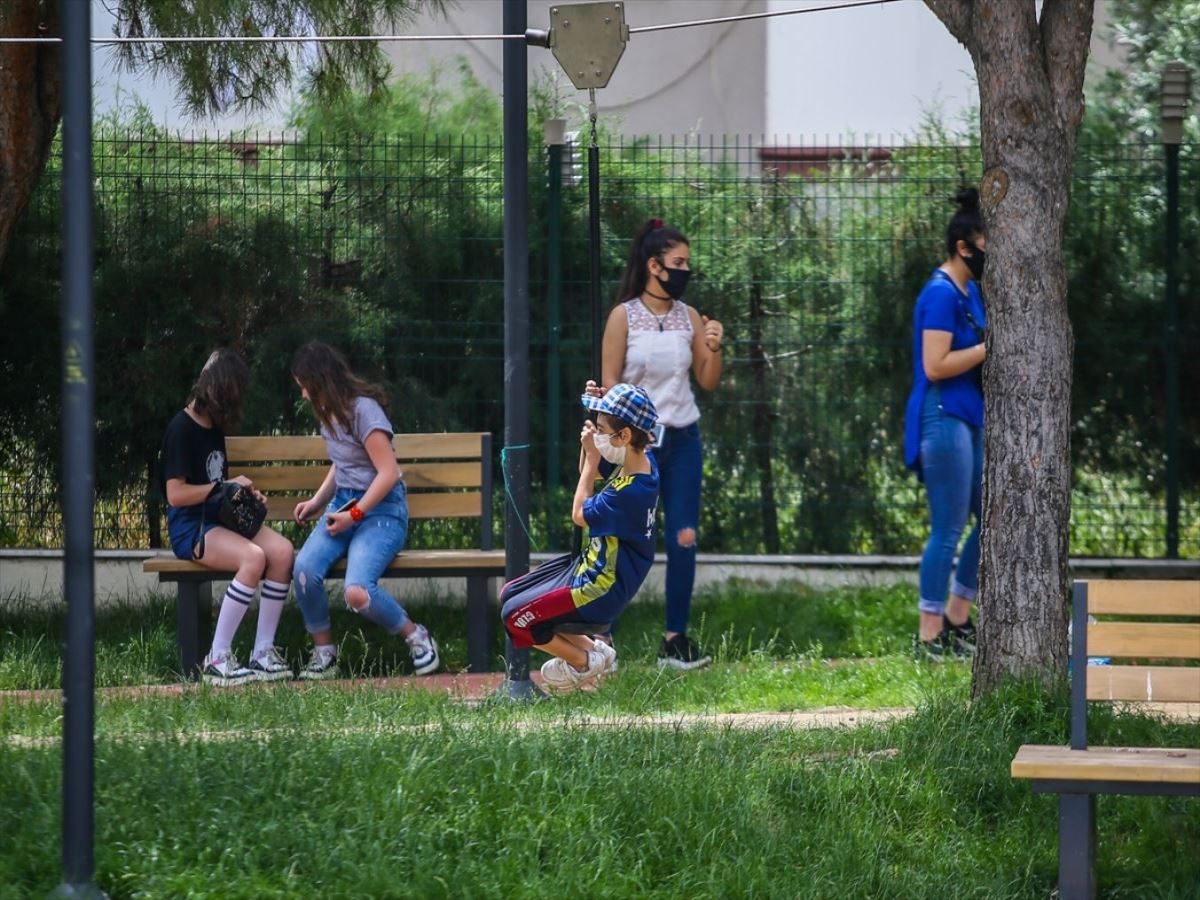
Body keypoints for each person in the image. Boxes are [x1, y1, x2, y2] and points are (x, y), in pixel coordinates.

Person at [597, 218, 723, 670]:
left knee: (684, 536)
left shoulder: (689, 316)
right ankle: (601, 640)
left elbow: (707, 380)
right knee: (622, 538)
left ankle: (675, 640)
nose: (686, 270)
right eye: (679, 262)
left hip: (684, 440)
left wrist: (714, 344)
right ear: (654, 265)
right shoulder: (623, 316)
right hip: (637, 446)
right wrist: (624, 439)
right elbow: (611, 388)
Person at [289, 340, 439, 680]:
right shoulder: (328, 413)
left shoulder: (364, 411)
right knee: (303, 571)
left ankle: (417, 636)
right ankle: (325, 653)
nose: (304, 396)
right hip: (344, 505)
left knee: (357, 592)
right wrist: (316, 502)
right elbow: (342, 464)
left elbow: (388, 474)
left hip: (382, 512)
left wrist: (354, 515)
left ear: (320, 382)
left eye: (305, 387)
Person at [501, 383, 660, 692]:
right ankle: (596, 652)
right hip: (590, 569)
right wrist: (595, 403)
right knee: (509, 593)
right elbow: (591, 473)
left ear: (625, 435)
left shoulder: (627, 493)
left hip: (598, 585)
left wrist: (590, 457)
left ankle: (581, 662)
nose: (597, 436)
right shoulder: (644, 464)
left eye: (602, 430)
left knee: (515, 617)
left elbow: (579, 512)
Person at [160, 348, 294, 686]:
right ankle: (217, 659)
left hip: (218, 517)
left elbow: (218, 488)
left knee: (282, 552)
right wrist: (226, 484)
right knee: (253, 558)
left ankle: (263, 653)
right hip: (192, 528)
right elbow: (176, 495)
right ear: (220, 391)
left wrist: (243, 495)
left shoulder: (213, 427)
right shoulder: (181, 429)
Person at [903, 188, 988, 661]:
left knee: (990, 522)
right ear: (964, 246)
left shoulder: (970, 291)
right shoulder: (939, 294)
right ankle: (929, 634)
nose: (989, 252)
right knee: (949, 527)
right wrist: (986, 349)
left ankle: (958, 617)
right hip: (942, 417)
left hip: (969, 417)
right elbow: (935, 365)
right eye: (985, 242)